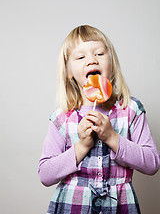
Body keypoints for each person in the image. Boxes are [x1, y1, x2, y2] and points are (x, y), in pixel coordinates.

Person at [38, 25, 160, 214]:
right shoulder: (62, 118)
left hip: (120, 206)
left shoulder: (130, 110)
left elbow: (152, 163)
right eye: (80, 57)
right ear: (69, 71)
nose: (91, 60)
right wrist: (82, 146)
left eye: (100, 54)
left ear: (112, 63)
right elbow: (45, 175)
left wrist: (112, 137)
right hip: (72, 206)